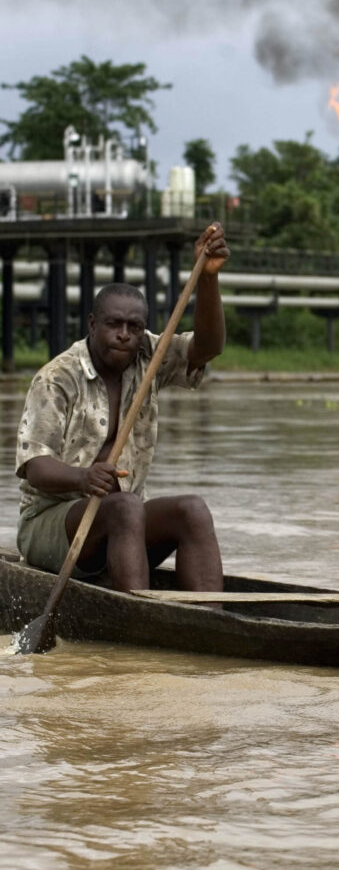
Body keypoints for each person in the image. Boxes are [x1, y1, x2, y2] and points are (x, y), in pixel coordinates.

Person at [15, 222, 230, 594]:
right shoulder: (57, 378)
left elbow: (207, 347)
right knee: (126, 506)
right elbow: (35, 467)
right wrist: (83, 478)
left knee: (191, 509)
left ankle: (211, 619)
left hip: (121, 524)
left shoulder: (149, 354)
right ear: (93, 325)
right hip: (52, 525)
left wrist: (207, 278)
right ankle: (137, 614)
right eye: (114, 324)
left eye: (134, 326)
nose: (125, 335)